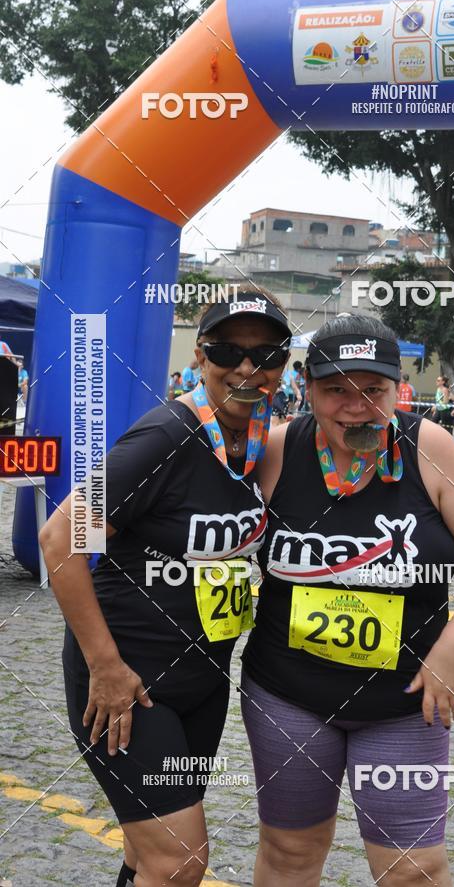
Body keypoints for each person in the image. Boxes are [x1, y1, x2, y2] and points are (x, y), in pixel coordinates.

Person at [241, 315, 454, 887]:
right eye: (335, 389)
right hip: (287, 696)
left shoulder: (429, 446)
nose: (356, 406)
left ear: (399, 389)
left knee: (412, 869)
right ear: (307, 388)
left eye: (374, 390)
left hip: (405, 702)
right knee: (290, 855)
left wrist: (453, 652)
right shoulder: (275, 450)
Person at [40, 288, 292, 887]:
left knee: (144, 852)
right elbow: (60, 539)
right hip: (128, 686)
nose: (247, 369)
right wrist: (105, 666)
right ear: (200, 358)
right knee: (178, 860)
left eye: (267, 355)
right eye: (228, 351)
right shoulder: (167, 437)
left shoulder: (260, 445)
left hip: (201, 686)